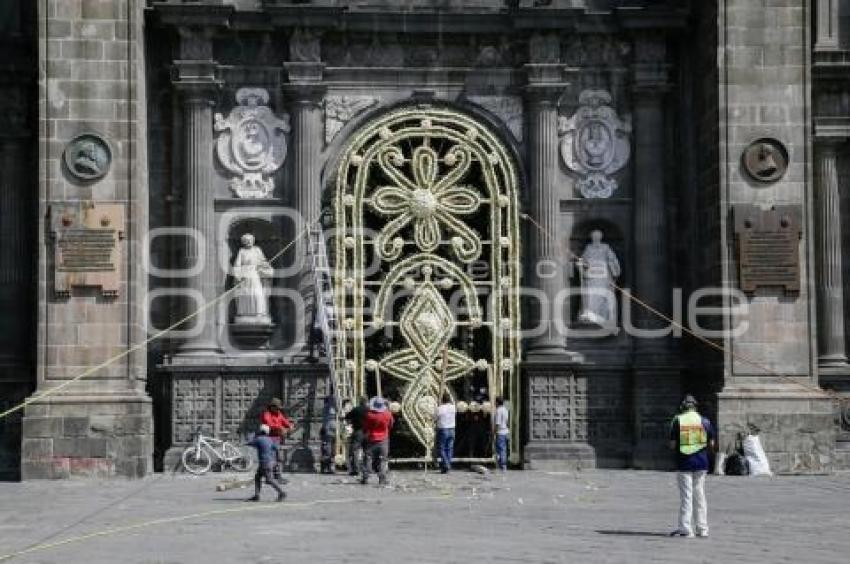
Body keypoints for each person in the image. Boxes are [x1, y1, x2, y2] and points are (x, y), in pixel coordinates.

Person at [669, 394, 715, 538]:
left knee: (687, 496)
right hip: (701, 462)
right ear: (696, 406)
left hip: (684, 463)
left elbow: (672, 444)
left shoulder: (678, 420)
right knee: (700, 495)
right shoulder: (705, 421)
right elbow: (712, 444)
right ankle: (702, 529)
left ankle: (686, 529)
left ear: (683, 407)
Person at [246, 424, 285, 502]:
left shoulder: (259, 439)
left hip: (265, 462)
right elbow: (277, 448)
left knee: (269, 479)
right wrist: (278, 457)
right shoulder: (270, 439)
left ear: (261, 431)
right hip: (270, 461)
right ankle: (257, 495)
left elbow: (249, 442)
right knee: (257, 477)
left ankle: (281, 492)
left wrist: (253, 435)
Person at [361, 396, 394, 486]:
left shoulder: (369, 415)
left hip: (371, 439)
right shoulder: (387, 414)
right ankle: (382, 478)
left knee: (368, 458)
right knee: (383, 460)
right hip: (383, 439)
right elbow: (391, 425)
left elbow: (365, 427)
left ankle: (365, 477)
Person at [260, 398, 293, 479]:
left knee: (278, 458)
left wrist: (290, 426)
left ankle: (277, 475)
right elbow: (269, 424)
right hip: (268, 439)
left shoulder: (279, 414)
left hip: (277, 439)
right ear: (272, 407)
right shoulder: (266, 414)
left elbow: (285, 421)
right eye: (276, 408)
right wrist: (280, 428)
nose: (278, 409)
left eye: (278, 408)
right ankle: (269, 476)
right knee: (271, 457)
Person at [345, 396, 368, 476]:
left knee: (354, 451)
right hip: (368, 432)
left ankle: (355, 469)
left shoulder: (356, 409)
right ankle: (367, 469)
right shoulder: (370, 410)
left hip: (358, 431)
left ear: (360, 402)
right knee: (367, 451)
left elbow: (347, 417)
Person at [434, 393, 456, 474]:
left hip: (443, 429)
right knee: (449, 448)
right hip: (452, 429)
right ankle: (446, 466)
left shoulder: (440, 408)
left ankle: (446, 464)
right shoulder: (453, 407)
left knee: (442, 448)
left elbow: (435, 418)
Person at [319, 395, 337, 474]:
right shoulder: (328, 408)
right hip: (328, 431)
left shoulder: (331, 408)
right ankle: (325, 468)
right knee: (327, 450)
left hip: (332, 431)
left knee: (331, 451)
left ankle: (328, 467)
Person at [493, 397, 509, 472]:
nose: (494, 403)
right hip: (505, 431)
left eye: (495, 402)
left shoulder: (499, 411)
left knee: (500, 449)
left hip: (500, 432)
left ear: (497, 402)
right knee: (504, 449)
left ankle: (502, 465)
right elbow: (507, 421)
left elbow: (498, 423)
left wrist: (494, 431)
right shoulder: (505, 410)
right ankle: (503, 464)